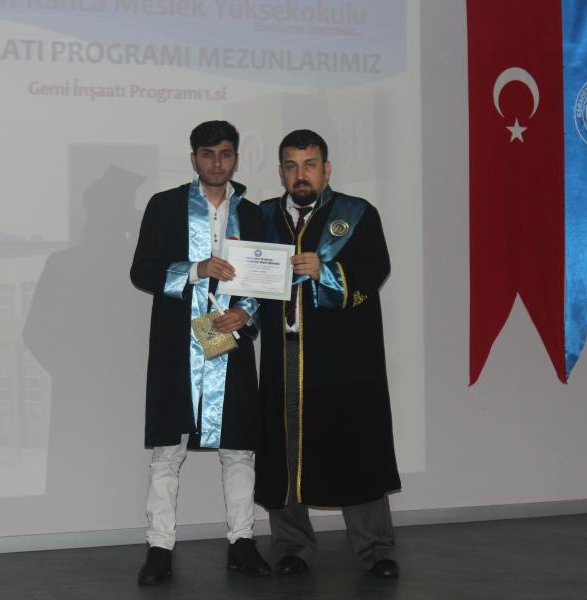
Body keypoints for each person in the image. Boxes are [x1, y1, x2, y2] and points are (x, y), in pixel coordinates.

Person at [255, 129, 402, 578]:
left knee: (356, 446)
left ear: (326, 168)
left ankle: (375, 550)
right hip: (284, 355)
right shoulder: (262, 216)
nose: (300, 174)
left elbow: (374, 270)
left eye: (310, 164)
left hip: (345, 358)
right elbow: (247, 284)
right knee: (284, 452)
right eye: (291, 166)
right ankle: (292, 547)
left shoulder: (357, 214)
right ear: (281, 171)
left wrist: (326, 271)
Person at [130, 120, 270, 585]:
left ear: (236, 158)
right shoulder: (165, 206)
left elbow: (267, 284)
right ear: (194, 158)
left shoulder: (254, 215)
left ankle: (243, 542)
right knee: (167, 450)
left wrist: (247, 313)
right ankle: (160, 548)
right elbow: (142, 272)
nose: (217, 162)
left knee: (239, 449)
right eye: (208, 154)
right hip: (177, 343)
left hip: (229, 342)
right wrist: (196, 269)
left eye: (225, 153)